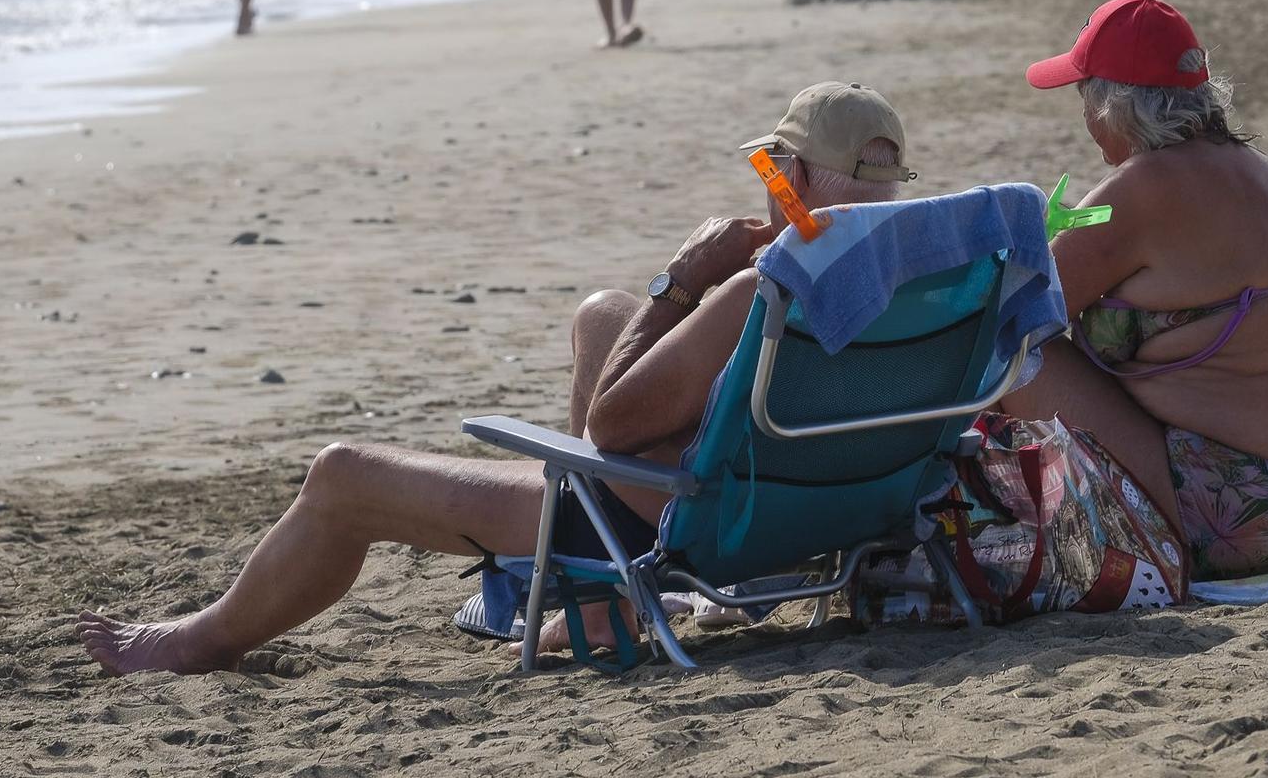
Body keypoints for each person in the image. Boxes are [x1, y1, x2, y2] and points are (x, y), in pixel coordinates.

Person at [77, 82, 917, 673]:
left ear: (798, 178)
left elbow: (612, 431)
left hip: (686, 520)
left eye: (774, 170)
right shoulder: (923, 278)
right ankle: (594, 604)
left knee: (340, 476)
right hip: (818, 505)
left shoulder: (756, 292)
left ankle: (207, 639)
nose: (767, 187)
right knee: (600, 314)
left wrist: (682, 281)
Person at [1005, 0, 1268, 583]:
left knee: (1013, 350)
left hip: (1255, 521)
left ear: (1112, 105)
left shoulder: (1140, 192)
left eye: (1084, 98)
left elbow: (1014, 312)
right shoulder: (1266, 177)